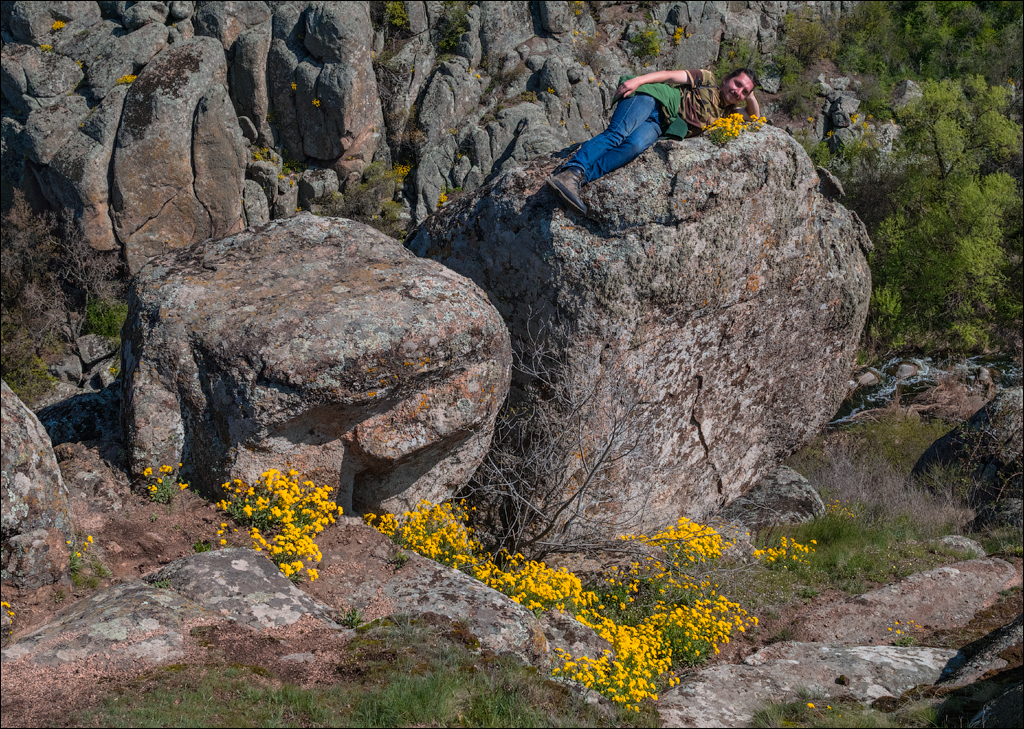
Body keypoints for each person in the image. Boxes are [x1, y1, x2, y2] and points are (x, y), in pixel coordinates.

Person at [547, 68, 759, 215]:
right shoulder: (707, 78)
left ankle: (575, 181)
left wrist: (749, 94)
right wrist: (637, 81)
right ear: (727, 79)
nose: (738, 91)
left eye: (744, 91)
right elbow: (669, 76)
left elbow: (755, 117)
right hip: (653, 99)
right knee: (617, 134)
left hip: (662, 125)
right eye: (736, 83)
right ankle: (573, 169)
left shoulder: (728, 112)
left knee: (634, 146)